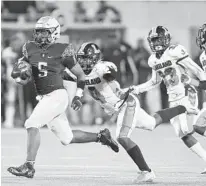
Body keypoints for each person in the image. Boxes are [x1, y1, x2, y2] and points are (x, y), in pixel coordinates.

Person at [62, 42, 197, 183]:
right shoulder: (78, 72)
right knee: (152, 123)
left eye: (87, 58)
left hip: (126, 103)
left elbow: (111, 74)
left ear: (95, 58)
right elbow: (64, 75)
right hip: (118, 108)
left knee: (122, 137)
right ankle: (183, 107)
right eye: (81, 58)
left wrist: (112, 81)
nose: (83, 62)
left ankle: (147, 172)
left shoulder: (101, 68)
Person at [7, 16, 119, 179]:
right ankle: (101, 136)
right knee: (67, 138)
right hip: (44, 97)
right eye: (38, 33)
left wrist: (78, 96)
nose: (40, 36)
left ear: (54, 33)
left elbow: (80, 75)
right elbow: (23, 75)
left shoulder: (63, 49)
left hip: (57, 96)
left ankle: (29, 166)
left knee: (31, 123)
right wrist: (20, 76)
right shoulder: (29, 48)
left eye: (45, 33)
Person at [132, 26, 206, 174]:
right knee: (182, 134)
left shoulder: (175, 51)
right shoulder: (152, 59)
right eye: (154, 40)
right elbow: (155, 81)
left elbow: (196, 69)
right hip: (173, 99)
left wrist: (203, 83)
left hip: (187, 93)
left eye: (159, 39)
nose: (157, 42)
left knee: (190, 128)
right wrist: (138, 89)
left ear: (166, 38)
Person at [181, 23, 206, 139]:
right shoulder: (203, 57)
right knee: (197, 125)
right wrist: (190, 81)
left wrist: (190, 81)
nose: (201, 38)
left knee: (198, 125)